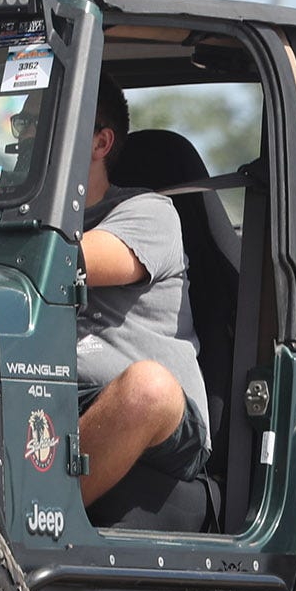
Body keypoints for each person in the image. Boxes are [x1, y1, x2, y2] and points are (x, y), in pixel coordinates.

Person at [73, 76, 208, 505]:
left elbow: (69, 262)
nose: (23, 141)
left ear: (100, 143)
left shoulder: (148, 211)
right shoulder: (19, 227)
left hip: (148, 412)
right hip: (48, 388)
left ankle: (30, 523)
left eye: (43, 124)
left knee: (149, 387)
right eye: (23, 125)